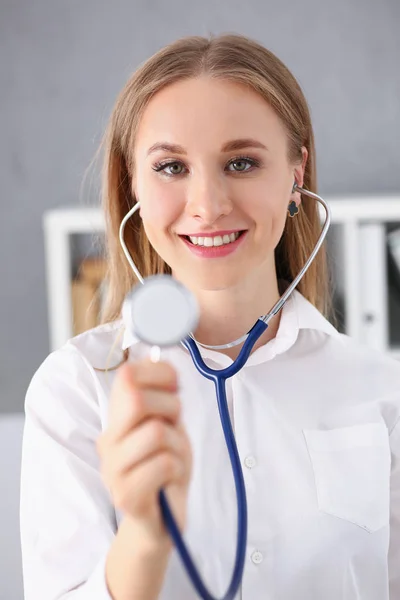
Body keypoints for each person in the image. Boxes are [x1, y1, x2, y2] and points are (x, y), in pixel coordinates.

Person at [20, 33, 400, 600]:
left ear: (298, 173)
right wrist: (145, 538)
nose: (209, 204)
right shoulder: (76, 390)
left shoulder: (382, 388)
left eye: (241, 162)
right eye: (171, 167)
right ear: (133, 186)